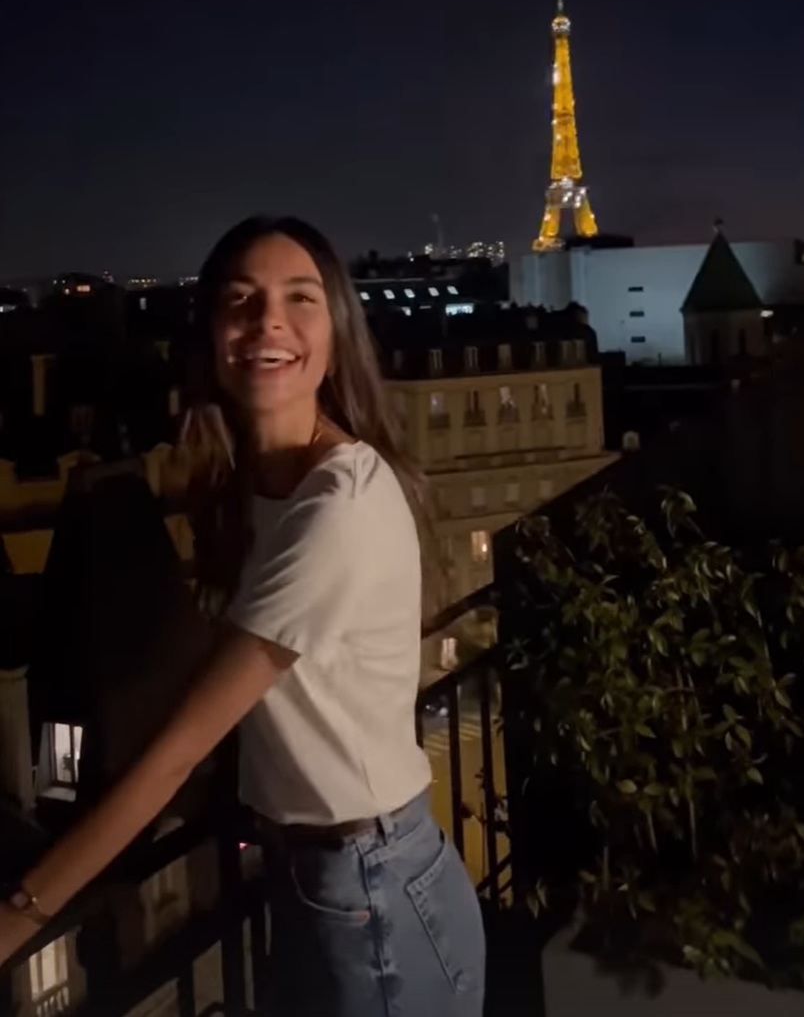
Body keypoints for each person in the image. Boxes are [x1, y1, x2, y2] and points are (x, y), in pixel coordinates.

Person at [0, 216, 486, 1015]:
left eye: (299, 298)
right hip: (323, 872)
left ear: (336, 335)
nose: (268, 320)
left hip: (371, 887)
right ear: (212, 337)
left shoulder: (337, 507)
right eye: (241, 300)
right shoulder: (263, 483)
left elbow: (175, 746)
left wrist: (22, 910)